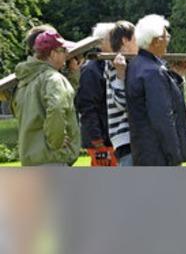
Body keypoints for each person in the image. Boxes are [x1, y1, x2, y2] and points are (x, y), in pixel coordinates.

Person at [125, 15, 186, 166]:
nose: (168, 38)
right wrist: (174, 155)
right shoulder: (153, 71)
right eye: (165, 35)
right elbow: (162, 117)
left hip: (142, 150)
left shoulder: (136, 65)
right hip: (158, 154)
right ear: (156, 41)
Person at [11, 31, 81, 166]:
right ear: (53, 53)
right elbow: (56, 107)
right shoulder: (53, 78)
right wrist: (56, 141)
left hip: (30, 161)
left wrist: (73, 75)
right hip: (51, 159)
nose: (67, 55)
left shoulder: (22, 82)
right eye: (64, 51)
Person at [76, 23, 118, 167]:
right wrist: (97, 140)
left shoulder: (113, 64)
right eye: (113, 38)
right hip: (102, 141)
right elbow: (87, 106)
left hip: (114, 138)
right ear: (101, 42)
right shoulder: (91, 69)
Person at [105, 21, 138, 166]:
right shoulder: (115, 64)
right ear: (125, 41)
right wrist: (120, 74)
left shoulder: (129, 63)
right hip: (125, 137)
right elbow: (121, 102)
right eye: (136, 39)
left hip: (132, 137)